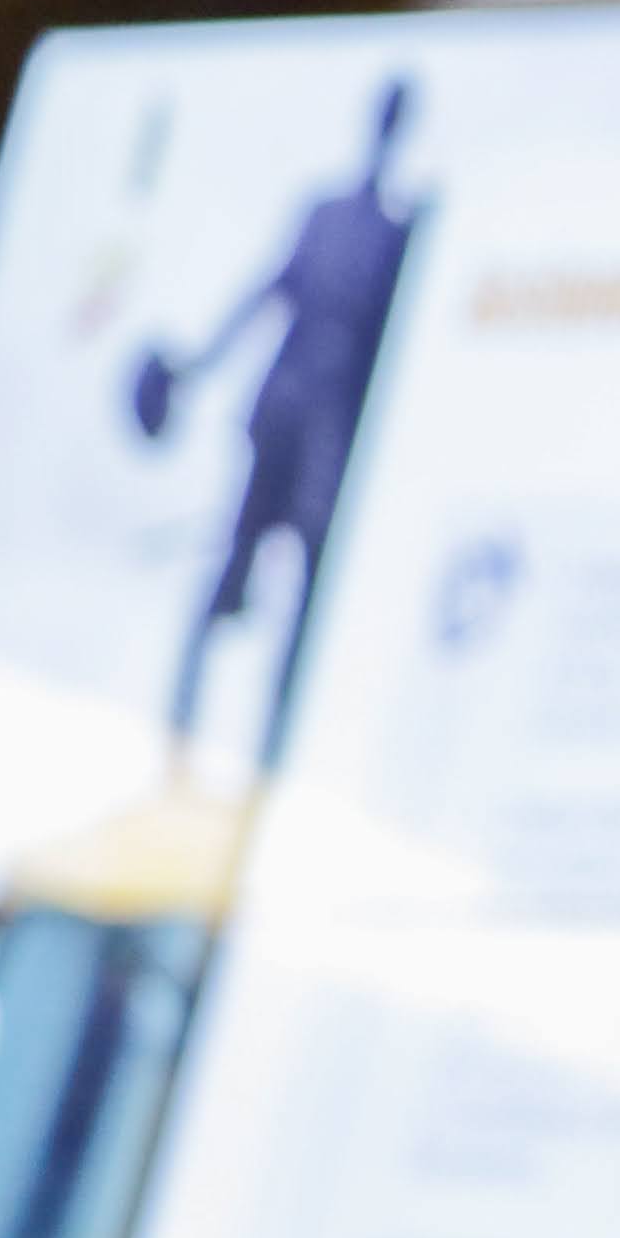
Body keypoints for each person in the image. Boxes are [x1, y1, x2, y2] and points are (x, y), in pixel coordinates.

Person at [143, 75, 425, 784]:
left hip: (333, 437)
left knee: (306, 589)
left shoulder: (400, 233)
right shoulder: (323, 213)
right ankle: (173, 749)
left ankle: (271, 766)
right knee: (234, 565)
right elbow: (266, 291)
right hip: (281, 413)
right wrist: (199, 366)